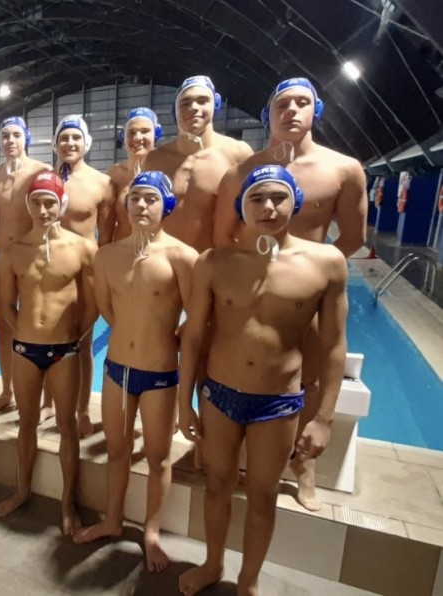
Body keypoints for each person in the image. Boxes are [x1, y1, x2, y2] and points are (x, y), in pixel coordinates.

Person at [177, 165, 348, 596]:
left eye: (278, 197)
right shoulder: (214, 262)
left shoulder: (326, 263)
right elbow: (193, 337)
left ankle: (248, 581)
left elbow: (333, 346)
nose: (268, 207)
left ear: (295, 202)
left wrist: (324, 418)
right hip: (219, 395)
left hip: (278, 401)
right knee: (217, 485)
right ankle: (213, 564)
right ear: (242, 206)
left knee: (263, 494)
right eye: (257, 198)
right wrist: (185, 403)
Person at [212, 78, 368, 510]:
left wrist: (312, 277)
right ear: (269, 114)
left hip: (306, 295)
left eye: (302, 102)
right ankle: (237, 451)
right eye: (283, 103)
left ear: (317, 110)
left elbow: (353, 237)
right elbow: (223, 240)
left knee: (310, 376)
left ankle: (304, 464)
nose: (292, 110)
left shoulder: (343, 169)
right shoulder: (241, 173)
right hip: (250, 289)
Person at [73, 172, 196, 571]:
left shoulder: (182, 256)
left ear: (166, 205)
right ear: (125, 206)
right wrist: (131, 332)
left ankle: (152, 531)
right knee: (117, 451)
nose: (142, 205)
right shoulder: (106, 256)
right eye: (135, 199)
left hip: (160, 375)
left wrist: (166, 338)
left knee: (158, 457)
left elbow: (198, 320)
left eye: (151, 199)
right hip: (117, 372)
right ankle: (112, 521)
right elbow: (108, 310)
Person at [0, 172, 97, 536]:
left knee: (67, 425)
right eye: (36, 202)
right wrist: (22, 331)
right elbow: (5, 303)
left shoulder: (82, 248)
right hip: (25, 349)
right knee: (26, 421)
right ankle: (23, 489)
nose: (42, 210)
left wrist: (74, 336)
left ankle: (68, 502)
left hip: (64, 350)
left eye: (49, 202)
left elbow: (93, 304)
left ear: (61, 204)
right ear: (28, 205)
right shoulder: (13, 251)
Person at [0, 116, 50, 414]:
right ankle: (7, 391)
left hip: (30, 256)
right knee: (3, 326)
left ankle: (46, 398)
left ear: (26, 139)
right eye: (5, 136)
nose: (10, 140)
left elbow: (49, 213)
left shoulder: (41, 170)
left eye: (16, 135)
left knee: (38, 325)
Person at [51, 114, 113, 437]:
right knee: (46, 337)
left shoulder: (101, 183)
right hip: (50, 270)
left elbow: (106, 236)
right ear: (56, 144)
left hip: (83, 272)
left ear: (86, 143)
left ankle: (83, 409)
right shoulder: (47, 178)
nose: (70, 143)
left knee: (83, 343)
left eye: (76, 137)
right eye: (64, 138)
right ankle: (49, 403)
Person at [144, 75, 253, 253]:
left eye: (202, 101)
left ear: (215, 105)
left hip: (215, 262)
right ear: (175, 111)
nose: (194, 108)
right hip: (167, 263)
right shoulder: (155, 159)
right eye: (185, 103)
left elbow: (251, 215)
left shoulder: (237, 153)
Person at [107, 108, 163, 241]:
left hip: (156, 249)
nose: (137, 138)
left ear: (156, 134)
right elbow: (106, 222)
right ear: (123, 137)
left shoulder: (166, 171)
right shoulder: (114, 174)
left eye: (145, 131)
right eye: (131, 132)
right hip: (122, 249)